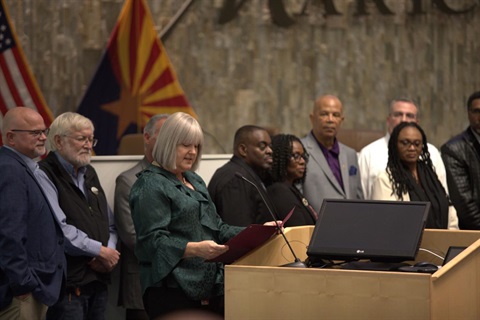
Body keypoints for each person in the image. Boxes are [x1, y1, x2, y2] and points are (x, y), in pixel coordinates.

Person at [130, 112, 278, 319]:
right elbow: (150, 244)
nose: (192, 152)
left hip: (209, 285)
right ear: (168, 143)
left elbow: (218, 227)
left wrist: (262, 231)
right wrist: (194, 249)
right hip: (171, 290)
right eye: (185, 145)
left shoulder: (194, 179)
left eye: (197, 146)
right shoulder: (150, 184)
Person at [39, 112, 119, 320]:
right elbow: (59, 229)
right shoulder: (44, 174)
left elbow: (109, 223)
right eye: (81, 138)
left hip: (98, 279)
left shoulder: (89, 172)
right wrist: (99, 251)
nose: (88, 145)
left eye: (91, 139)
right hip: (68, 286)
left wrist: (108, 252)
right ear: (58, 141)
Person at [0, 107, 66, 320]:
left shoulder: (24, 167)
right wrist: (23, 284)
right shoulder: (9, 169)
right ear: (11, 137)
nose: (43, 137)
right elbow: (9, 233)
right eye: (35, 133)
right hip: (21, 296)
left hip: (34, 289)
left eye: (44, 131)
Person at [114, 114, 168, 320]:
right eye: (164, 135)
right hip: (143, 283)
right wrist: (182, 250)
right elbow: (132, 237)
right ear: (147, 137)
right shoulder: (128, 181)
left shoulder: (184, 179)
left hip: (176, 284)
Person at [359, 98, 448, 200]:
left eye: (409, 116)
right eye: (398, 115)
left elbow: (443, 194)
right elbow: (362, 198)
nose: (404, 120)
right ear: (388, 120)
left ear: (417, 122)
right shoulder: (368, 154)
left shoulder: (432, 153)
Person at [371, 122, 454, 229]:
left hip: (441, 241)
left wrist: (451, 238)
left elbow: (449, 210)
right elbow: (385, 221)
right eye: (405, 143)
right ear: (395, 144)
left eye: (417, 143)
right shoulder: (385, 179)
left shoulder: (430, 174)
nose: (412, 148)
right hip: (405, 243)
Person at [302, 95, 363, 214]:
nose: (330, 119)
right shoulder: (300, 151)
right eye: (324, 114)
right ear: (312, 118)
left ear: (341, 120)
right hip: (316, 228)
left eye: (336, 115)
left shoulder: (350, 154)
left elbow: (359, 197)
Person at [208, 125, 276, 226]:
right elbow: (239, 233)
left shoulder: (243, 173)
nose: (270, 151)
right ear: (243, 150)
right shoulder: (236, 180)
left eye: (270, 146)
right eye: (262, 146)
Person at [441, 91, 480, 229]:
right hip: (473, 234)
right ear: (469, 114)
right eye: (477, 111)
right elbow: (464, 206)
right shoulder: (453, 149)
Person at [267, 134, 317, 226]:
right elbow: (297, 227)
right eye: (296, 156)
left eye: (303, 156)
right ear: (281, 158)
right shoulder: (279, 191)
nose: (302, 161)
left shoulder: (291, 187)